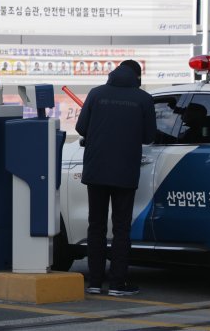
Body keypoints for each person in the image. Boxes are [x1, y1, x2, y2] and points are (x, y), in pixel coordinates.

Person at [75, 60, 156, 296]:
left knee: (96, 226)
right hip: (124, 171)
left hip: (96, 169)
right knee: (121, 228)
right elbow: (149, 136)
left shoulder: (96, 94)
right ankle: (118, 284)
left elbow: (81, 128)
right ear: (137, 77)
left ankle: (94, 282)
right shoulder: (143, 99)